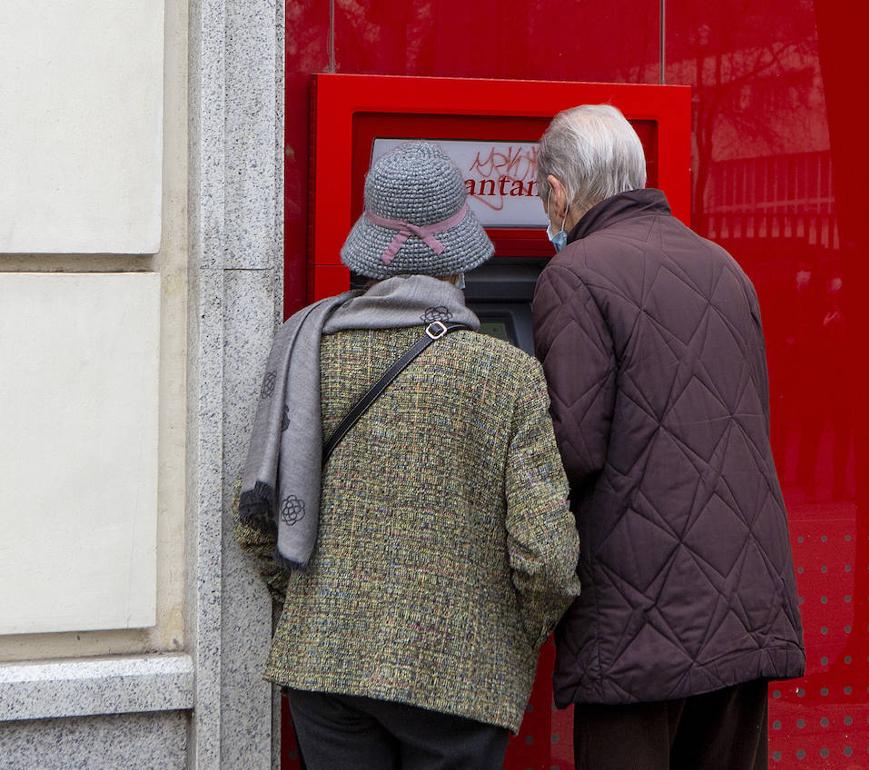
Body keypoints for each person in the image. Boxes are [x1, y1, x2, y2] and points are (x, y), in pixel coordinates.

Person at [235, 142, 580, 770]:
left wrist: (318, 604)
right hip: (458, 672)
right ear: (457, 262)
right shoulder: (507, 375)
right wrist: (508, 634)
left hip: (325, 664)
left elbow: (256, 521)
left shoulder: (304, 350)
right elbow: (547, 558)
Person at [531, 104, 806, 770]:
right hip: (745, 598)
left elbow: (575, 446)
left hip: (638, 617)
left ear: (561, 191)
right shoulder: (723, 266)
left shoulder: (573, 277)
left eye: (545, 197)